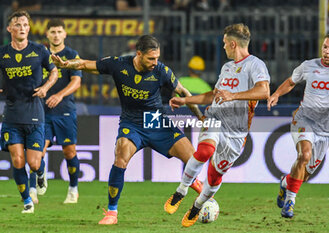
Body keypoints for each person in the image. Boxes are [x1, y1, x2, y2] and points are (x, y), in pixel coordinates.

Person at [51, 35, 204, 225]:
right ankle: (112, 213)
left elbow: (184, 93)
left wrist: (201, 118)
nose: (155, 62)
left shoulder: (162, 71)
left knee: (193, 159)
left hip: (156, 122)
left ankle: (202, 193)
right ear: (139, 54)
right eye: (151, 58)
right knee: (121, 156)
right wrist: (66, 65)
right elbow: (84, 64)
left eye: (157, 58)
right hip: (131, 123)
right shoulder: (118, 65)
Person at [164, 23, 270, 227]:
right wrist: (186, 101)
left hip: (237, 132)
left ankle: (197, 205)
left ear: (232, 44)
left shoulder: (256, 65)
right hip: (216, 118)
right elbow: (214, 96)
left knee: (214, 176)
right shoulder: (227, 67)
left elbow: (264, 91)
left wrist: (234, 96)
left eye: (224, 44)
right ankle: (181, 190)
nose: (223, 47)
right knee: (204, 151)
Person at [267, 32, 329, 218]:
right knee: (304, 155)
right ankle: (290, 202)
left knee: (304, 174)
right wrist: (276, 94)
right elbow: (290, 82)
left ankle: (285, 183)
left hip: (327, 128)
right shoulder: (309, 65)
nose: (326, 52)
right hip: (304, 119)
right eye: (325, 47)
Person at [0, 10, 58, 213]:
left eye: (25, 25)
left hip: (34, 112)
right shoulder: (2, 53)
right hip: (12, 113)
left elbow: (54, 71)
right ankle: (27, 201)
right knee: (17, 160)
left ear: (29, 28)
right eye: (17, 25)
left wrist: (45, 88)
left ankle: (41, 173)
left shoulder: (39, 50)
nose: (22, 28)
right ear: (10, 29)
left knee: (33, 164)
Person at [28, 19, 82, 204]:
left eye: (59, 31)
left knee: (69, 152)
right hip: (41, 111)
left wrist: (59, 95)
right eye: (53, 31)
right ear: (47, 34)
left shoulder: (72, 54)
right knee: (37, 151)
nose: (56, 35)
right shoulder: (40, 54)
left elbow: (76, 82)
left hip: (65, 110)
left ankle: (73, 189)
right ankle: (33, 189)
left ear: (65, 34)